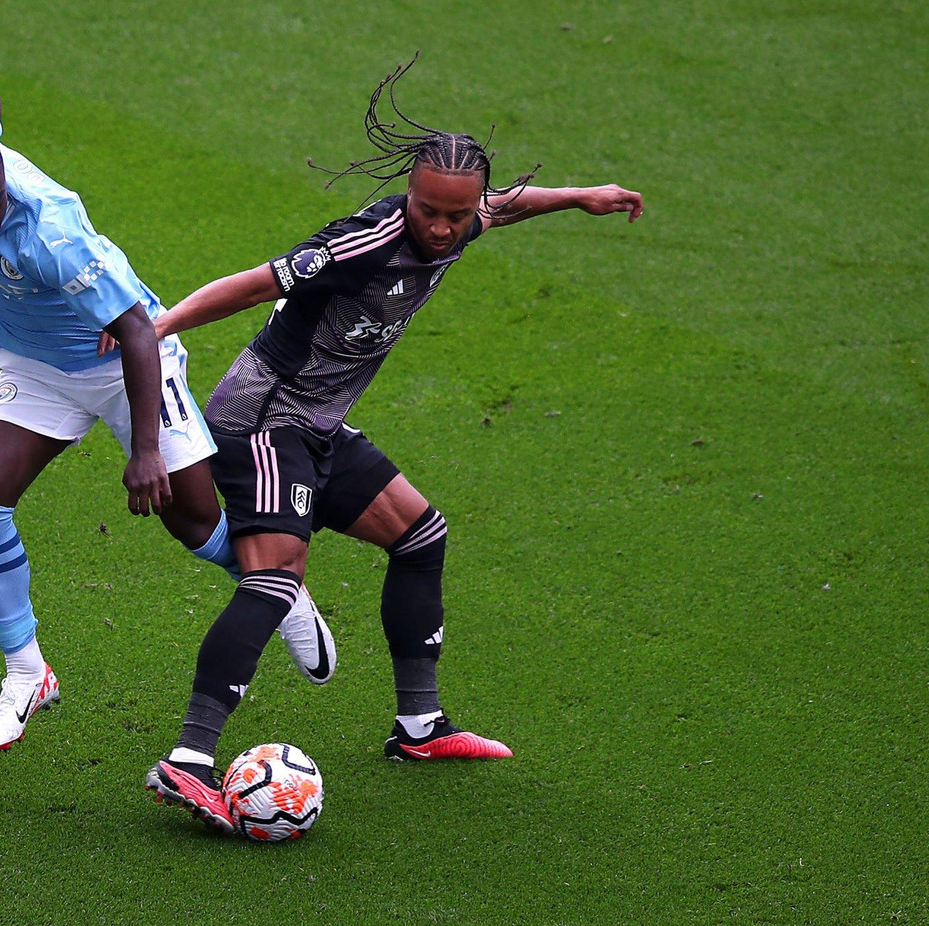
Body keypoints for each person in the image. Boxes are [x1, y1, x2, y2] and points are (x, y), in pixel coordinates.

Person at [141, 58, 644, 832]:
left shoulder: (467, 219)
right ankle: (189, 762)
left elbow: (509, 206)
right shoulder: (362, 243)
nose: (442, 229)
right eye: (429, 212)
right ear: (409, 196)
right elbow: (254, 282)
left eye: (456, 215)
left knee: (419, 535)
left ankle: (419, 730)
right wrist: (162, 327)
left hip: (318, 423)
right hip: (266, 418)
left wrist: (581, 197)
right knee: (275, 580)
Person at [0, 85, 335, 755]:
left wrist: (145, 452)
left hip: (126, 362)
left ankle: (276, 585)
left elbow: (135, 331)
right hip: (35, 364)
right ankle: (27, 672)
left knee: (187, 517)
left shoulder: (53, 233)